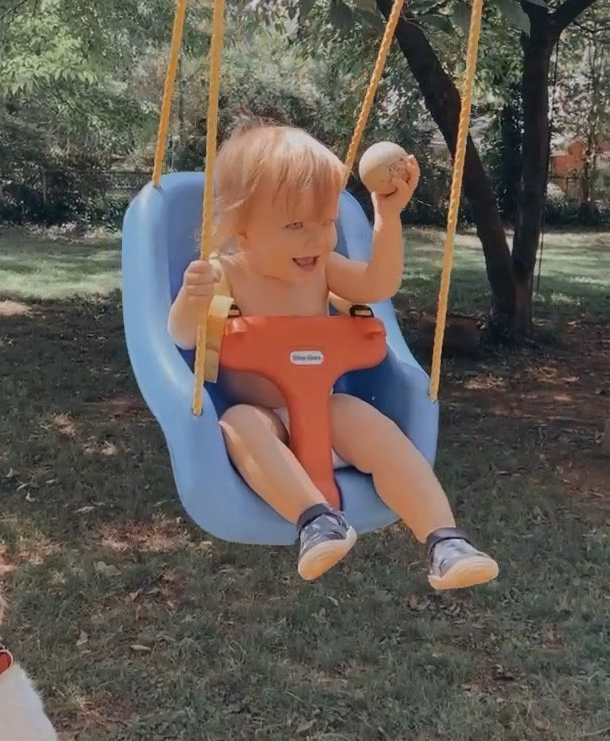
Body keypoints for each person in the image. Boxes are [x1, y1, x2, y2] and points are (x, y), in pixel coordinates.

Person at [168, 120, 499, 589]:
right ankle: (316, 520)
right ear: (243, 232)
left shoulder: (321, 270)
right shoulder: (228, 274)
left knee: (375, 430)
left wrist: (388, 215)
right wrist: (192, 298)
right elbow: (182, 337)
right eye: (296, 225)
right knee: (237, 423)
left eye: (325, 222)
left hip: (324, 410)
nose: (316, 239)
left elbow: (376, 286)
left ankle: (444, 540)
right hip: (268, 420)